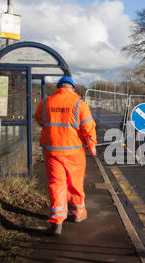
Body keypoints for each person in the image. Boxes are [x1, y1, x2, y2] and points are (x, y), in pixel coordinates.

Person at [34, 76, 97, 235]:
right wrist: (92, 146)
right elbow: (88, 127)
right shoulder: (79, 104)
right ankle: (78, 213)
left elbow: (40, 120)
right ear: (72, 88)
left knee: (57, 183)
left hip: (52, 151)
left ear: (58, 87)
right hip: (74, 151)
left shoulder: (45, 102)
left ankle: (57, 219)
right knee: (75, 183)